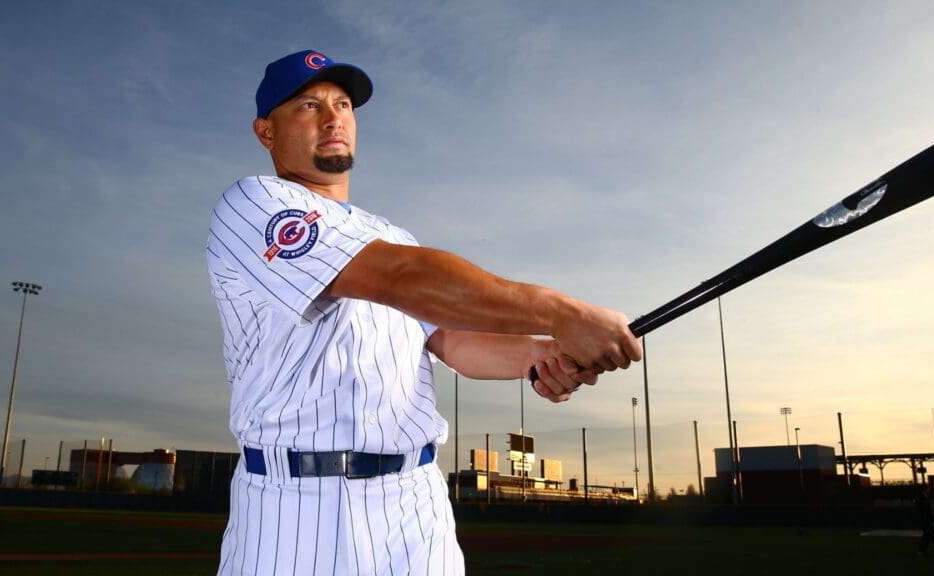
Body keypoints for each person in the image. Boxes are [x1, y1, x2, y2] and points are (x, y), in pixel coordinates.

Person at [206, 50, 642, 575]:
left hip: (415, 508)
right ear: (265, 132)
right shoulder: (253, 205)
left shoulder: (391, 236)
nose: (333, 117)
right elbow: (403, 279)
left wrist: (547, 355)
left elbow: (453, 341)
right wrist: (562, 313)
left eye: (343, 104)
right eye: (308, 105)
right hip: (296, 506)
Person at [916, 484, 934, 556]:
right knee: (931, 535)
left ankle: (921, 550)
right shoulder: (922, 498)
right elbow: (925, 509)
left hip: (925, 519)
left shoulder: (923, 497)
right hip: (925, 519)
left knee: (927, 535)